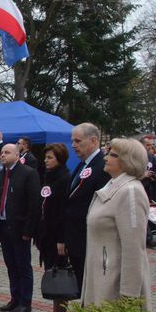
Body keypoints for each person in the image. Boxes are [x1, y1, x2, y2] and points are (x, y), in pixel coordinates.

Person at [82, 138, 151, 311]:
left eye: (113, 155)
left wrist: (129, 297)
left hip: (113, 285)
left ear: (128, 160)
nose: (106, 158)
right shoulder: (113, 186)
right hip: (101, 276)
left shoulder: (130, 191)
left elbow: (134, 248)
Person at [58, 122, 110, 297]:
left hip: (89, 239)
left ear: (93, 141)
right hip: (76, 238)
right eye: (73, 141)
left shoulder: (102, 167)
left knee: (91, 289)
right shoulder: (83, 165)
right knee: (82, 286)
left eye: (78, 141)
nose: (73, 145)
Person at [0, 144, 41, 312]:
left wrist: (29, 230)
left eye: (7, 152)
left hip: (20, 229)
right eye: (1, 152)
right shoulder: (0, 175)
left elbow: (34, 205)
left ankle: (25, 302)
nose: (2, 155)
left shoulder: (28, 173)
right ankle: (15, 298)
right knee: (11, 265)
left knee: (23, 266)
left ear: (17, 155)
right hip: (4, 227)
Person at [36, 143, 70, 312]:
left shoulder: (64, 178)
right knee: (52, 271)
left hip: (57, 236)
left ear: (59, 158)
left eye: (50, 158)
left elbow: (63, 211)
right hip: (47, 234)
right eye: (46, 157)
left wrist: (61, 239)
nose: (46, 161)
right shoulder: (49, 177)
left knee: (60, 275)